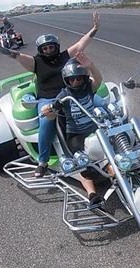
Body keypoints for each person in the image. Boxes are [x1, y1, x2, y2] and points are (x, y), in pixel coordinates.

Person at [0, 12, 100, 178]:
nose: (48, 50)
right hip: (47, 99)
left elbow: (81, 44)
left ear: (57, 46)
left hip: (70, 94)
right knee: (46, 122)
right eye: (45, 48)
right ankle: (43, 161)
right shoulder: (35, 62)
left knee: (101, 104)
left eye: (51, 47)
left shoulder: (64, 56)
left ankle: (119, 138)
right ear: (40, 49)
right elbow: (15, 55)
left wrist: (95, 29)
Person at [41, 52, 105, 205]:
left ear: (84, 77)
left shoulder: (89, 87)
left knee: (112, 152)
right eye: (72, 79)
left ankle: (120, 177)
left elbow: (99, 79)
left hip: (95, 129)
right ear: (67, 80)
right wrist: (48, 110)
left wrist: (90, 66)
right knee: (82, 163)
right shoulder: (64, 95)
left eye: (79, 78)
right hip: (76, 134)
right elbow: (51, 115)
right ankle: (92, 195)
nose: (76, 81)